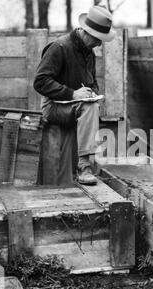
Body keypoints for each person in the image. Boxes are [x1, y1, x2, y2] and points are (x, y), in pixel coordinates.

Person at [34, 5, 115, 185]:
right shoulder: (59, 47)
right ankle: (84, 167)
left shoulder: (89, 53)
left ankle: (85, 162)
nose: (100, 44)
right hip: (53, 106)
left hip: (74, 106)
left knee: (92, 104)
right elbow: (40, 81)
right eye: (98, 39)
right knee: (89, 107)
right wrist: (73, 94)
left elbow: (92, 81)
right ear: (87, 32)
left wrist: (93, 92)